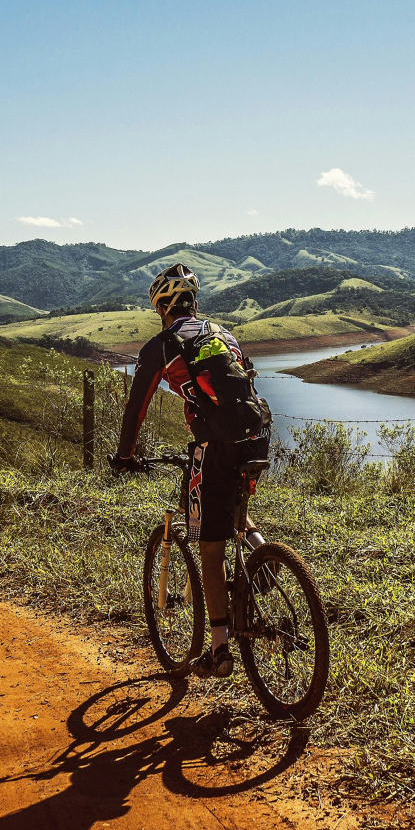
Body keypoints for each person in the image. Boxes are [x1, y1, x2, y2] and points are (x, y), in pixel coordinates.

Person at [110, 263, 269, 680]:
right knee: (235, 511)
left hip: (214, 446)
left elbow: (136, 408)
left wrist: (124, 456)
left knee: (210, 547)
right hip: (256, 436)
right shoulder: (222, 333)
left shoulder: (162, 346)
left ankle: (218, 651)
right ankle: (265, 555)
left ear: (161, 308)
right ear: (194, 303)